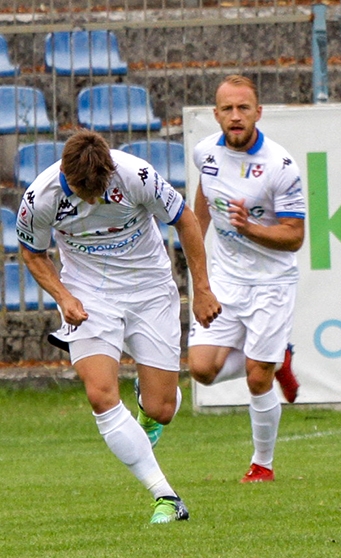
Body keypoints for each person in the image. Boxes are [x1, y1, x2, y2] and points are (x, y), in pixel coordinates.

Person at [16, 129, 221, 523]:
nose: (91, 200)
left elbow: (186, 220)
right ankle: (166, 497)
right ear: (66, 175)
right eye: (82, 192)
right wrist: (63, 296)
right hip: (89, 295)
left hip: (149, 287)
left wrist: (202, 291)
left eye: (99, 190)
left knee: (161, 409)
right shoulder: (39, 198)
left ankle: (147, 401)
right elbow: (32, 253)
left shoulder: (137, 175)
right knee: (101, 395)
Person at [187, 75, 305, 484]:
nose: (235, 116)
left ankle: (262, 464)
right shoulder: (206, 153)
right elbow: (201, 206)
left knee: (258, 377)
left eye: (243, 108)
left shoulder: (281, 166)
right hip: (226, 278)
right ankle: (276, 359)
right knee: (201, 369)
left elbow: (294, 236)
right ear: (216, 114)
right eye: (227, 109)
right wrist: (198, 275)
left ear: (258, 112)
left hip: (273, 282)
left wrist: (249, 228)